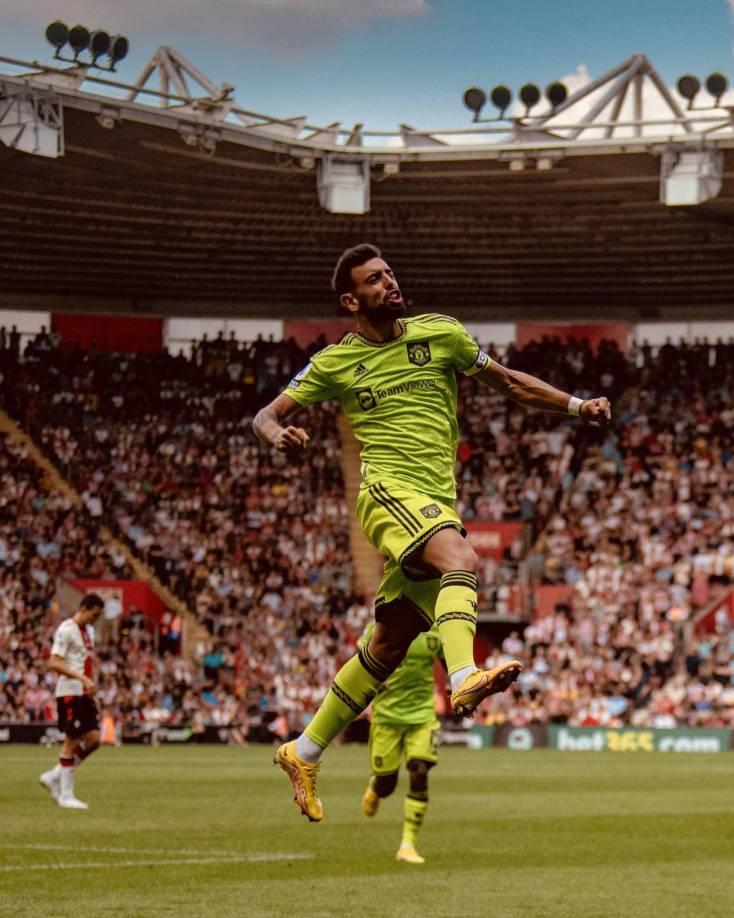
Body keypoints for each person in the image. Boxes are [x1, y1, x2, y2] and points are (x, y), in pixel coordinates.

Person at [253, 242, 611, 822]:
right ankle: (463, 675)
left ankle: (305, 750)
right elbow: (266, 414)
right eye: (374, 280)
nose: (389, 283)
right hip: (387, 492)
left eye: (389, 273)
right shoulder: (335, 362)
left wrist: (576, 406)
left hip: (434, 500)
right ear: (351, 300)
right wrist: (276, 435)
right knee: (461, 559)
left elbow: (509, 382)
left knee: (389, 646)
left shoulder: (440, 333)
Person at [359, 619, 444, 865]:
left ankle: (407, 845)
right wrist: (371, 679)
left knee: (420, 771)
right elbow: (361, 658)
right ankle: (376, 786)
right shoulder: (381, 623)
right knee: (387, 784)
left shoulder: (437, 629)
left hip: (422, 715)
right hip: (387, 717)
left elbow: (452, 663)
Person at [38, 593, 105, 809]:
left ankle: (54, 776)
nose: (95, 619)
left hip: (84, 693)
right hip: (70, 692)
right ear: (84, 609)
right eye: (94, 614)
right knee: (72, 740)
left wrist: (91, 686)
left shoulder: (88, 632)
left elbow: (85, 662)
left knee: (94, 740)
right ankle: (66, 796)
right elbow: (53, 663)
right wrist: (82, 678)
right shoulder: (66, 630)